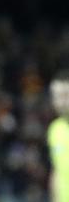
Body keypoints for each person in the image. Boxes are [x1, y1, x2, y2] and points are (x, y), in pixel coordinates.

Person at [49, 72, 69, 202]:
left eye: (65, 95)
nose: (60, 102)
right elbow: (56, 171)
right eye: (56, 96)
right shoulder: (54, 129)